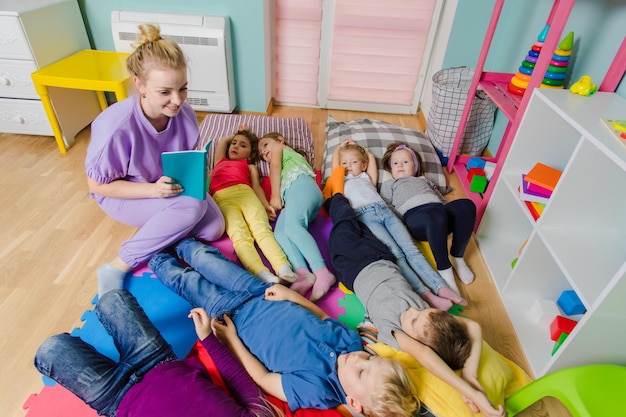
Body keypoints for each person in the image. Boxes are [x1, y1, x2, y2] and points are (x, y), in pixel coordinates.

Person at [148, 238, 419, 417]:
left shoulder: (317, 391)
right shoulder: (352, 344)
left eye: (362, 372)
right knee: (205, 257)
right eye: (371, 359)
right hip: (260, 292)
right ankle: (180, 241)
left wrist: (231, 340)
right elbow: (321, 318)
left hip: (236, 318)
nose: (361, 358)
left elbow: (264, 379)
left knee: (187, 282)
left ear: (353, 403)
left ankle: (156, 258)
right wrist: (290, 296)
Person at [324, 193, 505, 417]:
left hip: (353, 266)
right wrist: (470, 373)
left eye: (414, 319)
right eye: (423, 309)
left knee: (342, 226)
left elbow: (426, 357)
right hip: (381, 257)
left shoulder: (396, 332)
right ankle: (348, 208)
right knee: (361, 227)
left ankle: (337, 199)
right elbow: (475, 328)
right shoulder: (428, 320)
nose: (414, 310)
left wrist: (468, 390)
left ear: (417, 341)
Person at [85, 23, 225, 297]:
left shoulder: (181, 113)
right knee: (192, 207)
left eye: (182, 89)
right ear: (140, 85)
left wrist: (199, 170)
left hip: (165, 185)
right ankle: (116, 266)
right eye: (165, 92)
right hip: (124, 194)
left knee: (215, 228)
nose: (177, 100)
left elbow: (182, 159)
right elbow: (98, 187)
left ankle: (160, 233)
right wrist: (152, 191)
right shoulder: (116, 127)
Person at [34, 289, 277, 417]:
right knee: (113, 299)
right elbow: (238, 380)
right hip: (158, 362)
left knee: (51, 349)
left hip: (115, 398)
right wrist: (208, 339)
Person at [328, 140, 466, 310]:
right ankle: (424, 293)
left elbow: (370, 159)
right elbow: (335, 163)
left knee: (411, 250)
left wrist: (361, 149)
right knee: (396, 255)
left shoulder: (367, 178)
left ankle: (440, 287)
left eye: (354, 162)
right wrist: (341, 148)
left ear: (363, 165)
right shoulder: (341, 181)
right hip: (364, 216)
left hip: (386, 211)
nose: (348, 165)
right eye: (344, 163)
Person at [381, 142, 477, 287]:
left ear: (416, 166)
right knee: (434, 214)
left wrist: (451, 215)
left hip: (439, 214)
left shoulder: (424, 180)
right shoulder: (390, 184)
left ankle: (457, 257)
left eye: (405, 161)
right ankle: (444, 269)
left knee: (466, 205)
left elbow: (441, 198)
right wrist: (401, 226)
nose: (400, 165)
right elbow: (387, 206)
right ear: (390, 168)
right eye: (395, 163)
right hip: (416, 219)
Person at [209, 124, 297, 284]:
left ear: (250, 154)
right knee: (240, 236)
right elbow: (222, 142)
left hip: (247, 194)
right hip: (223, 198)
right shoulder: (220, 161)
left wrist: (265, 204)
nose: (235, 146)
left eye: (243, 145)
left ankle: (283, 267)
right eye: (234, 143)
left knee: (262, 231)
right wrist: (237, 134)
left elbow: (256, 187)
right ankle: (261, 272)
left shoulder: (250, 166)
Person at [257, 132, 335, 301]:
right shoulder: (278, 151)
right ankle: (303, 274)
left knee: (293, 226)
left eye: (265, 145)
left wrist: (275, 195)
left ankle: (321, 271)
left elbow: (275, 167)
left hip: (303, 186)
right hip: (293, 196)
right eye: (262, 155)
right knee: (280, 233)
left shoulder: (280, 148)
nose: (264, 153)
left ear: (280, 140)